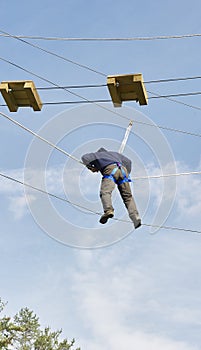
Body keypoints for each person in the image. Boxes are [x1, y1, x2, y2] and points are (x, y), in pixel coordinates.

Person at [81, 148, 141, 229]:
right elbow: (129, 161)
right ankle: (135, 217)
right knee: (128, 197)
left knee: (105, 192)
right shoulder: (115, 154)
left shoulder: (97, 155)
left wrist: (91, 167)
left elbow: (84, 157)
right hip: (123, 171)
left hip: (110, 170)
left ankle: (108, 210)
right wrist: (127, 173)